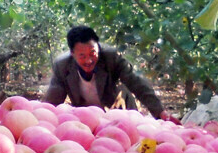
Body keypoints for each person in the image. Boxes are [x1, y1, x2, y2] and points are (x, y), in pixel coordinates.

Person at [43, 25, 172, 121]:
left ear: (98, 47)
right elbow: (53, 99)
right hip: (89, 120)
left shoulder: (111, 57)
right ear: (72, 54)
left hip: (122, 116)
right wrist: (42, 120)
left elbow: (137, 83)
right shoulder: (63, 66)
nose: (88, 60)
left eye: (93, 53)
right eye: (82, 56)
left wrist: (159, 112)